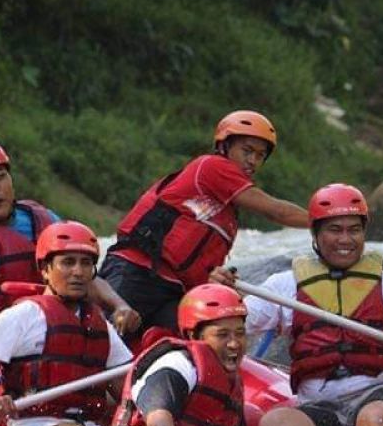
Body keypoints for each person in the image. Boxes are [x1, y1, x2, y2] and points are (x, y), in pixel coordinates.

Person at [0, 138, 138, 414]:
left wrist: (118, 305)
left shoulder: (45, 220)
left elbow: (84, 273)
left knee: (128, 402)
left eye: (0, 176)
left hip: (61, 346)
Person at [244, 183, 383, 426]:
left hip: (381, 399)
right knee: (275, 424)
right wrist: (223, 291)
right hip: (322, 410)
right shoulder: (284, 286)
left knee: (372, 418)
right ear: (316, 233)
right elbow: (237, 320)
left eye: (354, 230)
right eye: (335, 230)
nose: (345, 239)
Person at [97, 284, 310, 426]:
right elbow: (158, 416)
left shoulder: (228, 380)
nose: (234, 343)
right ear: (193, 336)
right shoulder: (176, 364)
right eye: (222, 335)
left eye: (240, 333)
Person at [100, 110, 310, 339]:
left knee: (186, 345)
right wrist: (323, 220)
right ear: (225, 146)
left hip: (171, 289)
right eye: (247, 151)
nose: (252, 161)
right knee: (106, 343)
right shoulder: (212, 167)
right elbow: (276, 211)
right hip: (137, 272)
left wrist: (215, 280)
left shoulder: (227, 214)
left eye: (260, 156)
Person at [0, 221, 133, 426]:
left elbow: (126, 386)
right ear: (45, 270)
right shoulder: (22, 317)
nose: (78, 272)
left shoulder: (99, 324)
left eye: (86, 264)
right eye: (67, 262)